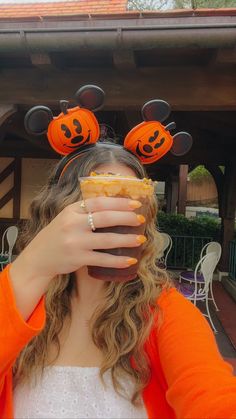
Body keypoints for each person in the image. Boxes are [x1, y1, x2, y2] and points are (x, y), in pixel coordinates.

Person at [0, 142, 236, 419]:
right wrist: (33, 266)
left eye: (130, 201)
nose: (116, 215)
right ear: (59, 212)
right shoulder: (22, 302)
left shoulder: (164, 311)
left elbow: (211, 395)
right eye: (101, 200)